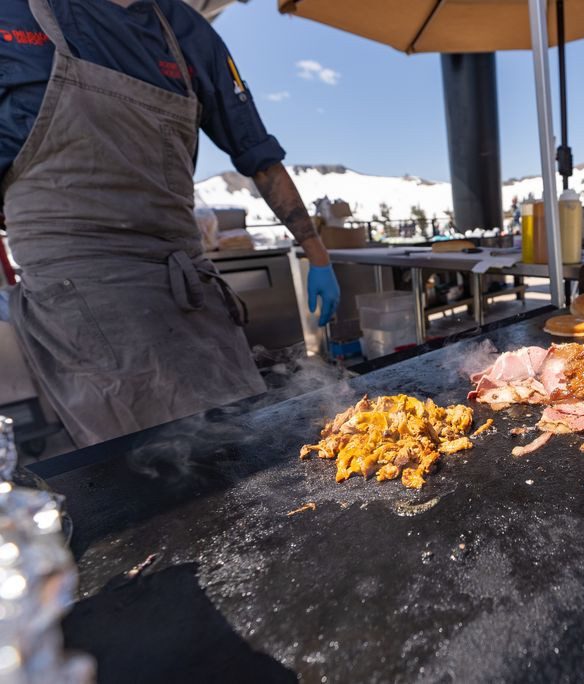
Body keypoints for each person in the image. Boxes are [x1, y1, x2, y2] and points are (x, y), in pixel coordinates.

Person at [0, 0, 340, 447]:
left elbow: (259, 155)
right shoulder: (12, 15)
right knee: (150, 458)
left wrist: (318, 256)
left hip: (187, 281)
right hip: (82, 292)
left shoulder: (187, 31)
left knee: (249, 436)